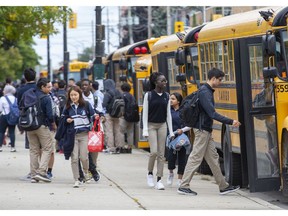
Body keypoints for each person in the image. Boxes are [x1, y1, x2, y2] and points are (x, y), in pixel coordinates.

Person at [177, 68, 241, 196]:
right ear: (213, 79)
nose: (220, 82)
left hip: (205, 130)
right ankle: (183, 185)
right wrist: (230, 121)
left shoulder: (205, 91)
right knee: (196, 157)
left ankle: (223, 186)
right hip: (202, 130)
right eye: (220, 80)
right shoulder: (205, 92)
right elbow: (212, 113)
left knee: (213, 158)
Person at [142, 72, 175, 190]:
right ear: (156, 82)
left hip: (162, 125)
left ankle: (159, 179)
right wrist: (145, 129)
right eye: (162, 81)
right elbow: (144, 114)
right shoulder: (149, 95)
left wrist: (171, 131)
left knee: (162, 154)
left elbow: (168, 115)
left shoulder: (167, 96)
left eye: (165, 80)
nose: (165, 82)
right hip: (151, 125)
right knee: (154, 152)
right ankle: (150, 173)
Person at [59, 85, 96, 188]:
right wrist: (67, 120)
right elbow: (62, 119)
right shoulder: (67, 107)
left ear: (79, 95)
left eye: (75, 95)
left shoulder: (86, 105)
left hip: (84, 135)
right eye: (71, 95)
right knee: (74, 158)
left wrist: (97, 118)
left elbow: (93, 116)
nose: (73, 97)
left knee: (84, 157)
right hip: (72, 135)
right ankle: (76, 179)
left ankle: (86, 172)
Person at [28, 78, 56, 183]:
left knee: (33, 150)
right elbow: (50, 115)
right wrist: (53, 124)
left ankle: (34, 174)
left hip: (30, 126)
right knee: (47, 148)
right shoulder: (46, 98)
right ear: (42, 87)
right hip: (42, 126)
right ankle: (41, 172)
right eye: (48, 87)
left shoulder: (29, 95)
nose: (50, 88)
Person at [16, 68, 37, 181]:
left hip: (28, 122)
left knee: (32, 148)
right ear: (35, 76)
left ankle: (33, 171)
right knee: (42, 148)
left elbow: (19, 106)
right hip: (40, 120)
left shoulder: (21, 90)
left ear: (25, 77)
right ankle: (43, 170)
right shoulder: (39, 88)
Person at [166, 92, 190, 187]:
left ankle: (180, 179)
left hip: (182, 137)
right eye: (170, 99)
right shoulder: (168, 111)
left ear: (178, 101)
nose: (170, 101)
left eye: (173, 99)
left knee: (182, 158)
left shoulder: (184, 111)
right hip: (172, 137)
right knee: (171, 157)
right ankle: (170, 173)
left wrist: (182, 130)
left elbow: (190, 124)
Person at [80, 78, 101, 182]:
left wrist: (101, 118)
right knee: (84, 150)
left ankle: (93, 169)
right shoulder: (78, 98)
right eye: (82, 85)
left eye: (86, 85)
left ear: (90, 85)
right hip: (83, 128)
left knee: (94, 150)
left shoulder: (96, 98)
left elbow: (101, 112)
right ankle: (87, 171)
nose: (84, 87)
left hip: (94, 128)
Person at [102, 79, 124, 154]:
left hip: (109, 114)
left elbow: (104, 104)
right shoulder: (118, 92)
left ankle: (111, 147)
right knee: (118, 131)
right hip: (118, 115)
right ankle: (119, 147)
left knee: (109, 131)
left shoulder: (108, 93)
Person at [0, 85, 17, 152]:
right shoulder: (15, 98)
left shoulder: (2, 98)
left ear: (6, 91)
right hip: (13, 117)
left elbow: (0, 109)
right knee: (12, 132)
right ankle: (12, 147)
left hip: (4, 115)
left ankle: (0, 147)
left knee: (1, 131)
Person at [119, 82, 136, 153]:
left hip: (124, 117)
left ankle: (122, 147)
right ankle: (130, 147)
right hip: (132, 116)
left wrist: (121, 114)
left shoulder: (122, 95)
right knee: (130, 132)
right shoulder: (132, 96)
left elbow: (122, 106)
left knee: (121, 132)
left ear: (122, 88)